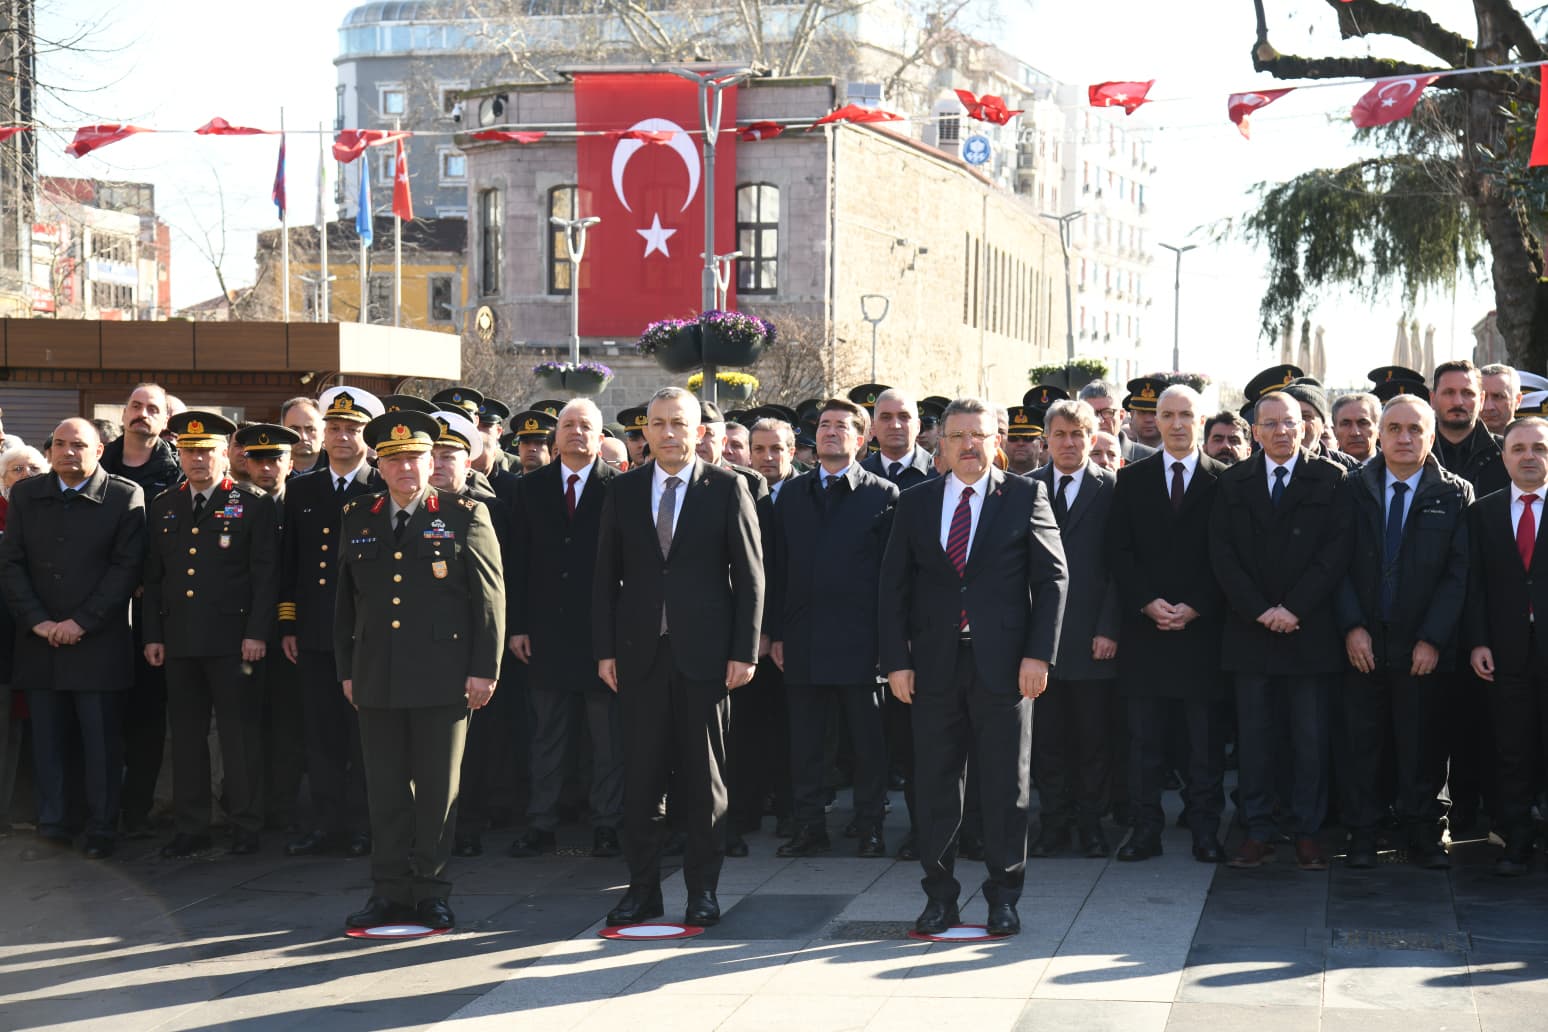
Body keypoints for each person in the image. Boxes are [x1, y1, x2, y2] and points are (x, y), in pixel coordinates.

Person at [880, 397, 1066, 937]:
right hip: (933, 666)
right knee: (935, 784)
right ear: (940, 443)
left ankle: (1004, 896)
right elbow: (893, 586)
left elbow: (1052, 580)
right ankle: (939, 896)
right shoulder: (915, 501)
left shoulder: (1025, 495)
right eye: (957, 435)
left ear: (996, 441)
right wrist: (896, 662)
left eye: (978, 435)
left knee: (1006, 785)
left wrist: (1039, 654)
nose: (968, 445)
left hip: (1006, 667)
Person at [592, 386, 763, 928]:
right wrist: (605, 651)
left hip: (706, 658)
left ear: (699, 431)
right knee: (641, 780)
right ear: (645, 431)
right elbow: (605, 577)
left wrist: (744, 651)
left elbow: (751, 577)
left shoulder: (728, 487)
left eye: (679, 423)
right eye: (659, 424)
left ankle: (702, 892)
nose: (668, 433)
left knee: (704, 780)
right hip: (639, 655)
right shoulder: (623, 489)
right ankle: (641, 891)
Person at [336, 410, 505, 931]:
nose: (405, 468)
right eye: (394, 460)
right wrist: (347, 669)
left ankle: (431, 889)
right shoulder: (358, 515)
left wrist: (484, 670)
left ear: (432, 462)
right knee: (385, 790)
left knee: (436, 791)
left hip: (443, 675)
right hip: (376, 674)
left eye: (414, 458)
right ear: (379, 466)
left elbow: (489, 599)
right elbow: (344, 603)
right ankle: (388, 889)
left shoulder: (464, 514)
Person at [1208, 391, 1351, 871]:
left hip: (1308, 630)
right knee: (1254, 740)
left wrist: (1293, 608)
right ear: (1255, 432)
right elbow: (1222, 554)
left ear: (1305, 426)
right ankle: (1258, 830)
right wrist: (1260, 610)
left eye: (1290, 422)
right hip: (1250, 631)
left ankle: (1307, 832)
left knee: (1310, 740)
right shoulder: (1233, 482)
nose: (1282, 432)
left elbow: (1335, 553)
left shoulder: (1330, 478)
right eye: (1270, 424)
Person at [1336, 394, 1472, 870]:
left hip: (1423, 647)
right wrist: (1352, 626)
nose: (1404, 438)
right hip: (1364, 643)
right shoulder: (1352, 488)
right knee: (1362, 744)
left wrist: (1433, 638)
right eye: (1394, 428)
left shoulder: (1454, 493)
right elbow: (1336, 565)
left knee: (1424, 746)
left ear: (1431, 437)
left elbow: (1459, 574)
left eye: (1415, 429)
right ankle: (1363, 833)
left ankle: (1424, 835)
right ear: (1380, 434)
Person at [0, 418, 146, 860]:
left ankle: (102, 828)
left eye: (78, 445)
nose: (67, 452)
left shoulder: (124, 496)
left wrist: (81, 621)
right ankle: (54, 826)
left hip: (97, 644)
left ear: (99, 450)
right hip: (40, 642)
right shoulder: (27, 495)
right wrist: (38, 622)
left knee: (100, 744)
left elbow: (125, 569)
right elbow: (11, 564)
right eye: (60, 444)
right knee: (47, 743)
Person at [143, 412, 280, 859]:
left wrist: (257, 632)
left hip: (233, 640)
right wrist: (153, 635)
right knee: (186, 736)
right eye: (189, 451)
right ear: (179, 454)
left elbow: (265, 577)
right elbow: (155, 577)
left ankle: (246, 824)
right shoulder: (164, 503)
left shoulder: (252, 502)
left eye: (206, 451)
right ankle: (192, 826)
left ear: (226, 453)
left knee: (238, 738)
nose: (198, 459)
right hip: (180, 638)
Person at [768, 400, 897, 859]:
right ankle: (809, 827)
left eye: (842, 426)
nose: (830, 431)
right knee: (805, 742)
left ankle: (870, 826)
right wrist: (776, 632)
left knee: (867, 743)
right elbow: (777, 568)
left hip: (861, 641)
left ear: (861, 439)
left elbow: (892, 577)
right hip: (802, 637)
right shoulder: (793, 495)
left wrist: (888, 642)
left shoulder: (883, 494)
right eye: (824, 425)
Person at [1107, 385, 1229, 864]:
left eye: (1186, 415)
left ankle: (1205, 830)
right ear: (1155, 421)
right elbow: (1118, 551)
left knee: (1204, 742)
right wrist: (1146, 602)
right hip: (1146, 631)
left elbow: (1229, 554)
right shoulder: (1131, 480)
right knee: (1144, 741)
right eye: (1168, 415)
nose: (1177, 424)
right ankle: (1144, 831)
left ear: (1201, 421)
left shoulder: (1225, 480)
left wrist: (1198, 604)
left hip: (1202, 633)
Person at [507, 398, 625, 860]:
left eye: (586, 426)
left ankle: (608, 825)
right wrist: (518, 626)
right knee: (547, 737)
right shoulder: (530, 487)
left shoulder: (620, 486)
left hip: (602, 636)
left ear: (601, 436)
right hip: (546, 634)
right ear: (555, 437)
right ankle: (541, 824)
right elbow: (517, 561)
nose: (576, 432)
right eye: (568, 425)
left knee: (607, 740)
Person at [278, 386, 385, 858]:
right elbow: (289, 564)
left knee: (365, 736)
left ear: (367, 436)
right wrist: (288, 624)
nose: (342, 437)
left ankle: (364, 825)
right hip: (316, 633)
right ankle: (326, 824)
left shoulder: (380, 486)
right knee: (320, 734)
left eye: (352, 429)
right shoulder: (302, 488)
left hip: (368, 633)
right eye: (334, 428)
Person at [1029, 399, 1120, 859]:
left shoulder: (1113, 488)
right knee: (1046, 739)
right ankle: (1053, 823)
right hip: (1039, 640)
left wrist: (1109, 628)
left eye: (1078, 434)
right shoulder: (1026, 487)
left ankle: (1091, 823)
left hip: (1092, 636)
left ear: (1092, 437)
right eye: (1060, 434)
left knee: (1092, 739)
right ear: (1046, 439)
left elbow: (1121, 567)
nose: (1069, 443)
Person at [1428, 359, 1508, 838]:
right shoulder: (1414, 451)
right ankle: (1436, 813)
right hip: (1427, 614)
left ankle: (1491, 814)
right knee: (1432, 722)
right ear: (1434, 398)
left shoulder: (1505, 456)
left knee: (1489, 722)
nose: (1458, 402)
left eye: (1467, 394)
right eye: (1449, 393)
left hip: (1493, 615)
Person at [100, 382, 184, 837]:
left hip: (154, 614)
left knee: (148, 717)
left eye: (153, 408)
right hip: (100, 611)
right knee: (101, 715)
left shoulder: (176, 474)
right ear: (123, 412)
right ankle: (99, 808)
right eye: (135, 405)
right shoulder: (100, 463)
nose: (142, 413)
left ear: (165, 420)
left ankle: (136, 811)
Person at [1466, 416, 1548, 875]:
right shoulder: (1484, 512)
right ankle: (1517, 838)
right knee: (1512, 747)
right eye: (1519, 449)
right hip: (1504, 650)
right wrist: (1478, 640)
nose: (1529, 457)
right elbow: (1474, 584)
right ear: (1504, 458)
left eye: (1539, 448)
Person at [237, 424, 306, 834]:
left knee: (287, 724)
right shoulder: (238, 503)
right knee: (248, 723)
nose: (266, 468)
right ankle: (251, 806)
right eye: (258, 460)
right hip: (245, 630)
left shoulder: (301, 502)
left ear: (290, 462)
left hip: (289, 631)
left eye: (274, 459)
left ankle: (283, 807)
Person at [861, 389, 934, 486]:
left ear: (918, 426)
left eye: (904, 416)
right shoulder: (858, 476)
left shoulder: (939, 473)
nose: (895, 425)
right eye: (886, 417)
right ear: (873, 427)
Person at [281, 397, 325, 473]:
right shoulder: (271, 470)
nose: (303, 437)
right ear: (282, 433)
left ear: (323, 433)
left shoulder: (338, 469)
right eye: (294, 430)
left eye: (310, 429)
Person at [1332, 393, 1381, 463]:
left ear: (1379, 429)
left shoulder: (1394, 468)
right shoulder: (1323, 469)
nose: (1355, 433)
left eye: (1363, 423)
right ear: (1334, 431)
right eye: (1346, 424)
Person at [1479, 364, 1522, 437]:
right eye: (1482, 398)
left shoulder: (1535, 440)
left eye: (1498, 396)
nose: (1488, 407)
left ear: (1518, 400)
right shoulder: (1459, 441)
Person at [1003, 407, 1044, 476]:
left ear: (1041, 445)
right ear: (1004, 444)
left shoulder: (1053, 479)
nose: (1020, 443)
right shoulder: (991, 480)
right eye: (1013, 438)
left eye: (1028, 438)